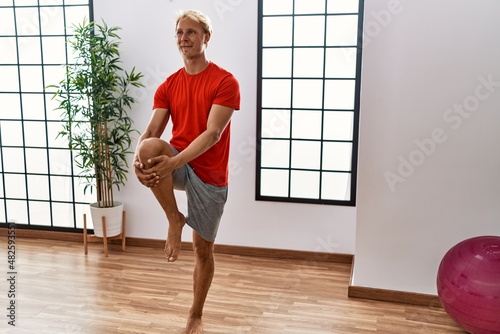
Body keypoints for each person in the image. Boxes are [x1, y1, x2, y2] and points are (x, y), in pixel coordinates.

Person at [133, 9, 240, 334]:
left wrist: (173, 164)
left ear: (206, 38)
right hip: (177, 160)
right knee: (149, 148)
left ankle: (195, 314)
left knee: (202, 250)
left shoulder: (225, 81)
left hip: (209, 173)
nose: (184, 38)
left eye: (191, 32)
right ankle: (173, 219)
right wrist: (139, 162)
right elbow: (152, 130)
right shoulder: (169, 85)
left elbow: (212, 135)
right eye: (180, 33)